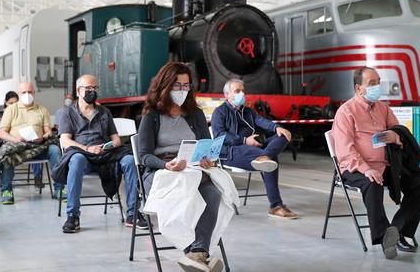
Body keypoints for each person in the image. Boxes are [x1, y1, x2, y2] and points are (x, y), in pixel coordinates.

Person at [138, 62, 238, 272]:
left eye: (186, 86)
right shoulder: (151, 116)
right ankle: (195, 253)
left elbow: (206, 146)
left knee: (213, 194)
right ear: (165, 85)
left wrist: (208, 159)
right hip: (161, 171)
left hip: (193, 169)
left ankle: (197, 253)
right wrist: (166, 164)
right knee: (187, 194)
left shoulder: (196, 114)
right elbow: (144, 156)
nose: (182, 91)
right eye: (177, 85)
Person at [332, 66, 420, 259]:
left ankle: (399, 231)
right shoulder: (346, 112)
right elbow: (345, 151)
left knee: (419, 184)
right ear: (359, 88)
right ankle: (384, 237)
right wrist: (366, 169)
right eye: (372, 83)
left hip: (385, 164)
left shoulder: (383, 108)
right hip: (355, 167)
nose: (377, 86)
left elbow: (399, 129)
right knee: (373, 183)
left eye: (378, 82)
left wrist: (395, 135)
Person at [55, 74, 144, 233]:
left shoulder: (104, 112)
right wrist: (88, 149)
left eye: (95, 88)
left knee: (130, 160)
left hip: (106, 156)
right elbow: (65, 141)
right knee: (75, 160)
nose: (92, 91)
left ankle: (132, 213)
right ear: (78, 91)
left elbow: (116, 140)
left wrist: (107, 146)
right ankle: (72, 216)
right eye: (88, 88)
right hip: (83, 155)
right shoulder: (66, 112)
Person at [211, 78, 298, 219]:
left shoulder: (248, 111)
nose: (242, 94)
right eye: (237, 91)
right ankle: (275, 206)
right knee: (271, 160)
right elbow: (219, 136)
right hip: (232, 151)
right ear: (227, 95)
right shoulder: (219, 112)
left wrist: (277, 127)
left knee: (282, 136)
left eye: (243, 91)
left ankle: (264, 156)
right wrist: (245, 140)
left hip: (255, 148)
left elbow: (261, 121)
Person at [0, 82, 62, 204]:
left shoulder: (42, 110)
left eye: (29, 92)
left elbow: (49, 132)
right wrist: (15, 139)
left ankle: (59, 189)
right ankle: (6, 191)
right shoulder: (11, 110)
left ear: (34, 93)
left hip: (38, 146)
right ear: (19, 94)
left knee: (55, 150)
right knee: (6, 152)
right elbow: (2, 133)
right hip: (18, 147)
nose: (27, 94)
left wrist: (43, 137)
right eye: (24, 92)